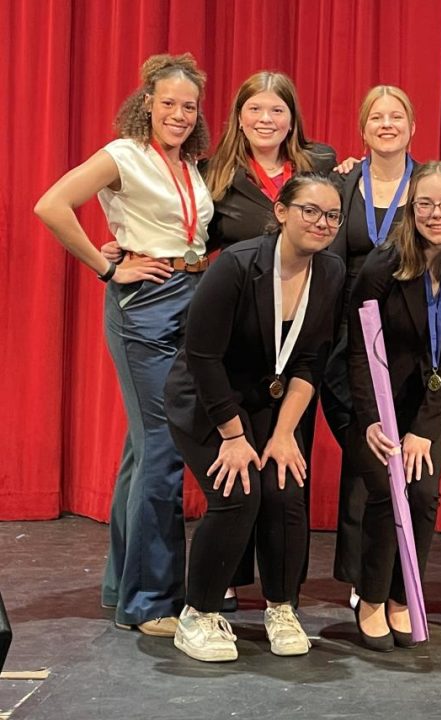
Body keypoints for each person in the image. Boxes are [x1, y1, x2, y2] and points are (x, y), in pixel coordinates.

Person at [34, 53, 214, 637]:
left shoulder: (191, 165)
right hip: (146, 305)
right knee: (163, 448)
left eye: (189, 106)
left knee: (142, 451)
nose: (179, 114)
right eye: (168, 104)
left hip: (191, 295)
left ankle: (121, 588)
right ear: (147, 104)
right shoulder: (123, 155)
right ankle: (151, 602)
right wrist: (105, 266)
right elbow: (51, 206)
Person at [164, 175, 345, 662]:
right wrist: (234, 436)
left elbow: (310, 362)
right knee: (238, 493)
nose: (321, 223)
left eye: (332, 215)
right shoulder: (238, 266)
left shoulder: (330, 273)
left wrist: (285, 434)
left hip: (268, 403)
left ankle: (281, 607)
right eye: (310, 210)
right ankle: (197, 616)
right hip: (208, 399)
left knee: (286, 490)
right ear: (282, 211)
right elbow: (202, 357)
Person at [347, 161, 441, 651]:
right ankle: (370, 597)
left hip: (429, 401)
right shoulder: (382, 265)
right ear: (411, 211)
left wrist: (425, 430)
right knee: (384, 493)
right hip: (376, 395)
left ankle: (399, 595)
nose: (438, 214)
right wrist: (372, 419)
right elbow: (357, 349)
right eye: (426, 204)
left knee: (424, 495)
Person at [202, 70, 337, 611]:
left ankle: (285, 594)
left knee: (286, 472)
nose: (266, 119)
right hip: (240, 340)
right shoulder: (216, 175)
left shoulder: (320, 165)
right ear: (239, 116)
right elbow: (196, 244)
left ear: (292, 118)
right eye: (255, 109)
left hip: (299, 340)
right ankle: (229, 583)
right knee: (239, 469)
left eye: (277, 110)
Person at [323, 86, 418, 606]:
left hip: (408, 337)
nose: (386, 124)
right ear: (362, 130)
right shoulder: (343, 182)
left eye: (396, 116)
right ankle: (362, 577)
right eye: (376, 117)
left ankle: (397, 574)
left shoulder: (427, 184)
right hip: (347, 337)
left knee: (399, 457)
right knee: (365, 453)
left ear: (411, 126)